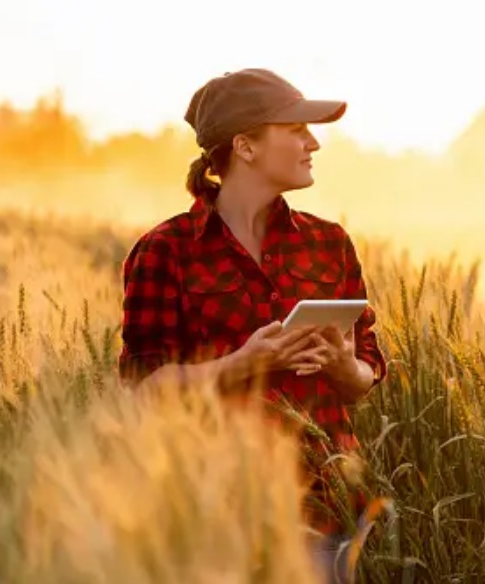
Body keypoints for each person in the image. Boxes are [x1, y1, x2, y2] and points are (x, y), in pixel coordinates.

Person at [117, 68, 387, 583]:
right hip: (216, 516)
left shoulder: (329, 244)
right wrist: (244, 364)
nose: (314, 144)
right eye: (297, 130)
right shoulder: (165, 252)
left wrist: (341, 367)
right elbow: (144, 390)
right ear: (245, 146)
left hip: (325, 512)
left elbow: (364, 376)